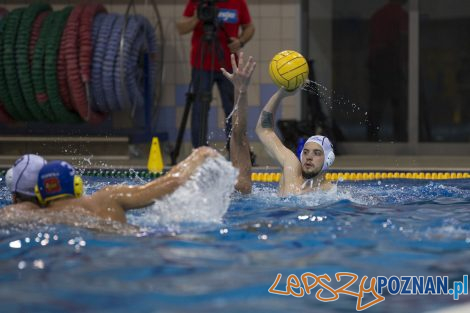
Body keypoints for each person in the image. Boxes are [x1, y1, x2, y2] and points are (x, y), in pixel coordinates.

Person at [0, 147, 221, 225]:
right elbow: (174, 181)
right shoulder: (108, 197)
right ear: (78, 185)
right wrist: (199, 155)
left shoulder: (35, 216)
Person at [176, 0, 255, 148]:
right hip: (201, 64)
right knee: (200, 107)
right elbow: (180, 28)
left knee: (233, 108)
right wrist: (196, 17)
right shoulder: (197, 2)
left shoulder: (238, 2)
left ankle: (236, 150)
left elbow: (249, 27)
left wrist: (241, 41)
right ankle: (199, 151)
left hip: (229, 64)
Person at [256, 88, 335, 196]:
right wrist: (280, 94)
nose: (309, 157)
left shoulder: (329, 192)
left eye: (316, 153)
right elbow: (263, 130)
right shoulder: (291, 168)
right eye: (306, 152)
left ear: (328, 159)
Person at [367, 0, 408, 141]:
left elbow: (373, 40)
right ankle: (401, 137)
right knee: (399, 103)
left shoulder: (378, 15)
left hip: (378, 61)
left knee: (377, 104)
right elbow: (401, 40)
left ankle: (371, 137)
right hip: (389, 60)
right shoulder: (399, 14)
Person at [221, 52, 256, 194]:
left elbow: (239, 131)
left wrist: (241, 90)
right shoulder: (241, 184)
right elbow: (238, 132)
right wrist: (240, 90)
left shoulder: (241, 183)